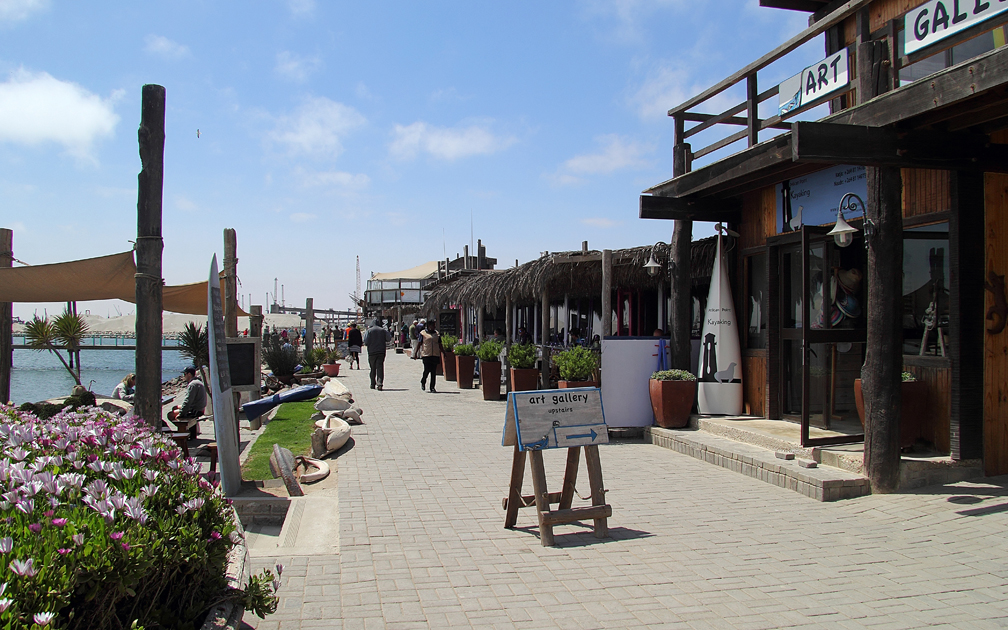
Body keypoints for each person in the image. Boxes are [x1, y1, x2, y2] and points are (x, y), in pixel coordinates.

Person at [168, 366, 207, 439]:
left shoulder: (192, 385)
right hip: (199, 407)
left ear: (189, 374)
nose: (183, 376)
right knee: (175, 407)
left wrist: (181, 413)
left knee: (171, 415)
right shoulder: (197, 382)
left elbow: (188, 401)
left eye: (184, 374)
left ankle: (183, 431)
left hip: (195, 410)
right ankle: (189, 430)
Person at [364, 317, 392, 390]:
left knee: (372, 368)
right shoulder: (383, 330)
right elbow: (388, 338)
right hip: (381, 351)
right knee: (380, 367)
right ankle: (380, 384)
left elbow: (366, 341)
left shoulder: (369, 331)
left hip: (372, 352)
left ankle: (372, 384)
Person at [414, 318, 441, 393]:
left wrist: (443, 353)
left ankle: (432, 387)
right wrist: (416, 353)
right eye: (432, 325)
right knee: (427, 369)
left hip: (435, 354)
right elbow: (419, 344)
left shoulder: (437, 334)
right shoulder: (423, 333)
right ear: (429, 326)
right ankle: (423, 381)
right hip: (426, 354)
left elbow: (440, 344)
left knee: (433, 372)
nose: (433, 327)